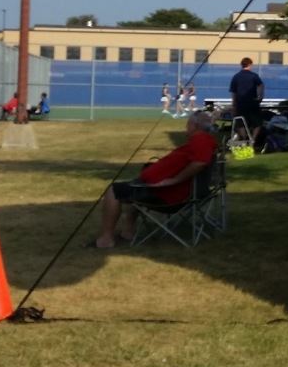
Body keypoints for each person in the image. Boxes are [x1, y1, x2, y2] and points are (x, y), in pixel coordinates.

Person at [92, 111, 218, 247]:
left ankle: (106, 239)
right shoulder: (203, 141)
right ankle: (128, 231)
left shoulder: (201, 141)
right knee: (133, 186)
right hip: (164, 188)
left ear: (194, 125)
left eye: (187, 124)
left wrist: (174, 180)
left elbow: (200, 162)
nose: (186, 127)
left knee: (114, 190)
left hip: (168, 195)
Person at [229, 57, 265, 142]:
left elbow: (234, 93)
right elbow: (261, 85)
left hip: (240, 103)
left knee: (240, 122)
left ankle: (244, 138)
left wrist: (234, 105)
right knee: (258, 122)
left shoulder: (236, 77)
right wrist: (260, 96)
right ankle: (252, 139)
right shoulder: (254, 76)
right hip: (252, 103)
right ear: (250, 65)